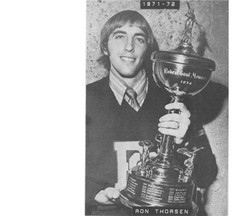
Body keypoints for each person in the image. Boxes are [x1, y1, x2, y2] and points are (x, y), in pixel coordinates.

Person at [86, 10, 218, 215]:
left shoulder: (178, 102)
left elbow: (206, 174)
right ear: (105, 47)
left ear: (148, 49)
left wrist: (185, 139)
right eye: (119, 36)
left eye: (139, 38)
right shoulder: (84, 100)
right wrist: (92, 194)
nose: (129, 46)